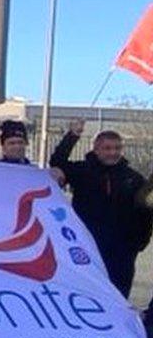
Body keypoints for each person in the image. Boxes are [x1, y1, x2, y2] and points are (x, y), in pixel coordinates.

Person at [49, 119, 152, 298]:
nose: (113, 153)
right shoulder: (83, 171)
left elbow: (145, 212)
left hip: (122, 253)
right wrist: (73, 135)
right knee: (84, 294)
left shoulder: (133, 179)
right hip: (87, 247)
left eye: (117, 148)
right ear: (96, 149)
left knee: (118, 297)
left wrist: (138, 243)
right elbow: (57, 161)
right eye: (107, 148)